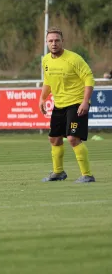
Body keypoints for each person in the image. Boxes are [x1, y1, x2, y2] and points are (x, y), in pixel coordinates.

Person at [39, 27, 95, 183]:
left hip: (76, 103)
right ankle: (58, 173)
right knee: (54, 139)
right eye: (50, 41)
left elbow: (89, 78)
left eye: (57, 40)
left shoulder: (74, 59)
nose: (54, 43)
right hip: (59, 104)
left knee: (72, 138)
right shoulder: (46, 60)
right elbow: (48, 81)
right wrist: (42, 98)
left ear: (62, 41)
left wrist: (85, 101)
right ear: (46, 42)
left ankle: (87, 175)